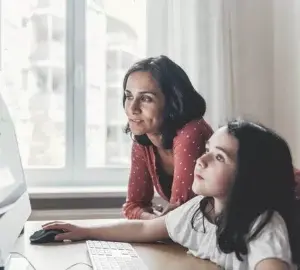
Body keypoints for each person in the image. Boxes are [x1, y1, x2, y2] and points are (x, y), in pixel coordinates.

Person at [43, 119, 300, 269]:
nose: (202, 159)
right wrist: (85, 231)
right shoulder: (201, 208)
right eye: (208, 149)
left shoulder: (264, 225)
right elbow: (145, 230)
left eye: (219, 157)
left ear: (249, 178)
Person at [121, 55, 213, 219]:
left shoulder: (191, 132)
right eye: (129, 96)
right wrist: (153, 219)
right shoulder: (143, 139)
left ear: (172, 102)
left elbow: (180, 215)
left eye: (146, 98)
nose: (132, 108)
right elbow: (132, 206)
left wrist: (157, 220)